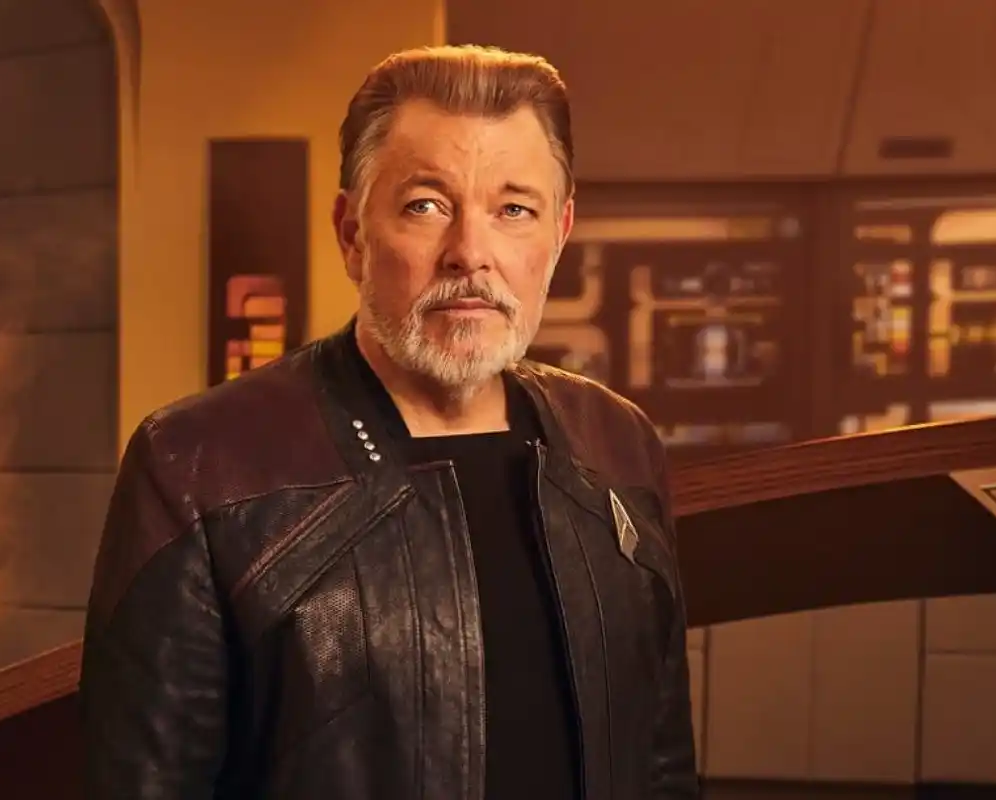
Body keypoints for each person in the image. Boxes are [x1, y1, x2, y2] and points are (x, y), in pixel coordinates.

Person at [80, 44, 698, 799]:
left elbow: (661, 765)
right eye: (425, 205)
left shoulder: (618, 443)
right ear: (352, 233)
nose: (470, 254)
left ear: (559, 232)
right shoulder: (197, 464)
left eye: (513, 210)